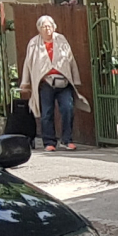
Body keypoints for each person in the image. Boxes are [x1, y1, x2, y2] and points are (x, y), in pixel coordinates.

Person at [18, 15, 84, 151]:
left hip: (63, 81)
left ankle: (67, 140)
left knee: (67, 109)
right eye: (44, 27)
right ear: (39, 29)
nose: (47, 29)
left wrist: (75, 79)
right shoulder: (34, 43)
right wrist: (25, 82)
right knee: (47, 113)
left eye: (49, 26)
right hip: (45, 83)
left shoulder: (61, 40)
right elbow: (28, 63)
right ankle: (49, 142)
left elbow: (70, 59)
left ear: (54, 27)